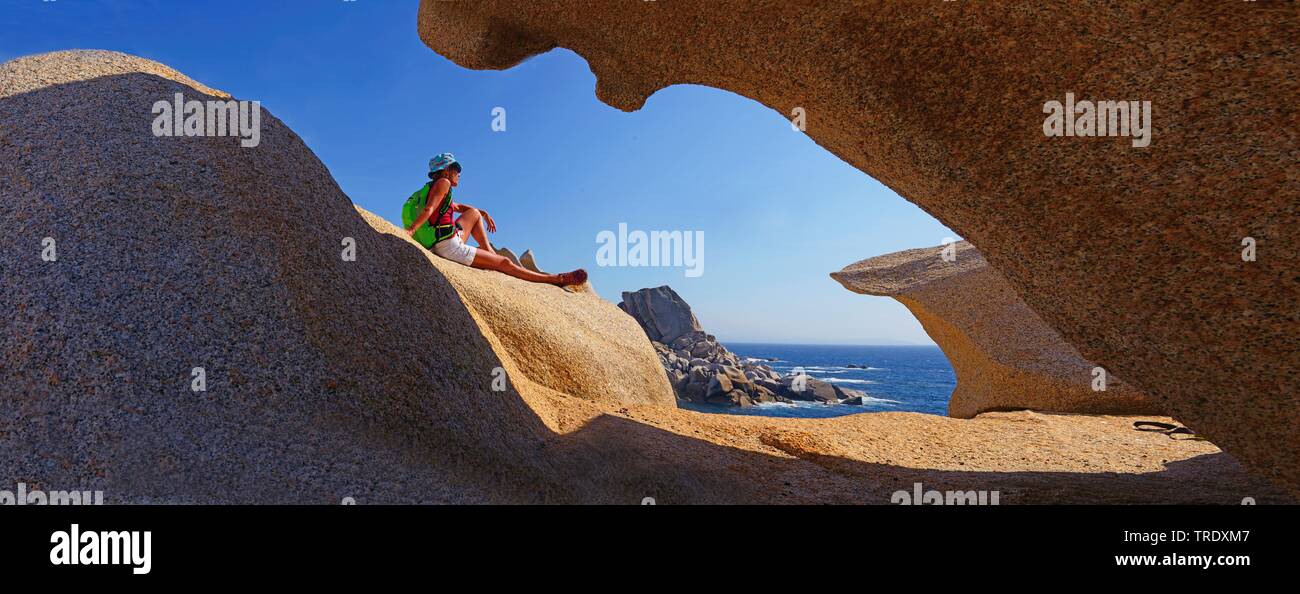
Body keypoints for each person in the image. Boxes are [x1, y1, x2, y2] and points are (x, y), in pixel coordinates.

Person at [403, 153, 587, 286]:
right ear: (445, 171)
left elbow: (457, 207)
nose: (459, 173)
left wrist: (482, 212)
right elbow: (429, 209)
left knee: (473, 213)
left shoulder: (431, 188)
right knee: (506, 264)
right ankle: (556, 279)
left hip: (442, 239)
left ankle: (489, 252)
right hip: (449, 248)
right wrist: (410, 231)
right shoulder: (444, 183)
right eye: (456, 168)